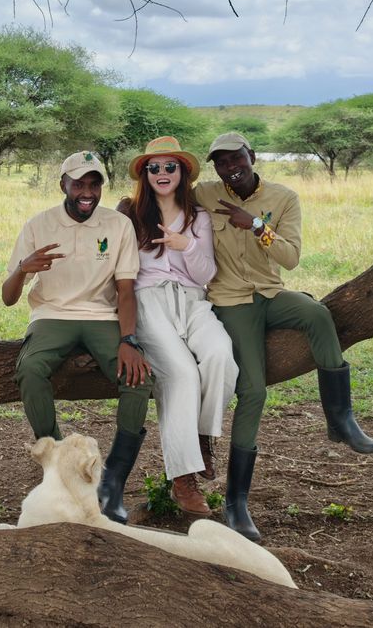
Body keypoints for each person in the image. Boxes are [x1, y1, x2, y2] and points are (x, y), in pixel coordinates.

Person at [195, 131, 373, 542]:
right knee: (255, 391)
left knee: (316, 312)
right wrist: (125, 208)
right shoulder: (204, 194)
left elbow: (291, 258)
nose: (230, 168)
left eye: (236, 158)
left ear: (252, 156)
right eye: (221, 162)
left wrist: (257, 225)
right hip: (231, 301)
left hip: (271, 293)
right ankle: (236, 503)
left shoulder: (283, 198)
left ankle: (341, 419)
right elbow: (161, 197)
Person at [2, 150, 154, 524]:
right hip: (52, 315)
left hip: (102, 316)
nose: (87, 191)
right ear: (63, 185)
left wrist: (129, 340)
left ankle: (113, 484)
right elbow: (8, 297)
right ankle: (57, 463)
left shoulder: (117, 225)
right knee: (31, 370)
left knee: (139, 380)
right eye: (79, 183)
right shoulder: (39, 225)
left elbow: (124, 290)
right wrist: (24, 269)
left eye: (94, 183)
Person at [119, 137, 238, 516]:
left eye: (170, 166)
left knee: (221, 355)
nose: (162, 173)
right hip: (150, 301)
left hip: (192, 299)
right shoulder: (130, 214)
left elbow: (206, 273)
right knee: (182, 374)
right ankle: (183, 480)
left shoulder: (198, 217)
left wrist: (185, 245)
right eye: (154, 167)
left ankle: (203, 436)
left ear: (182, 172)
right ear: (145, 174)